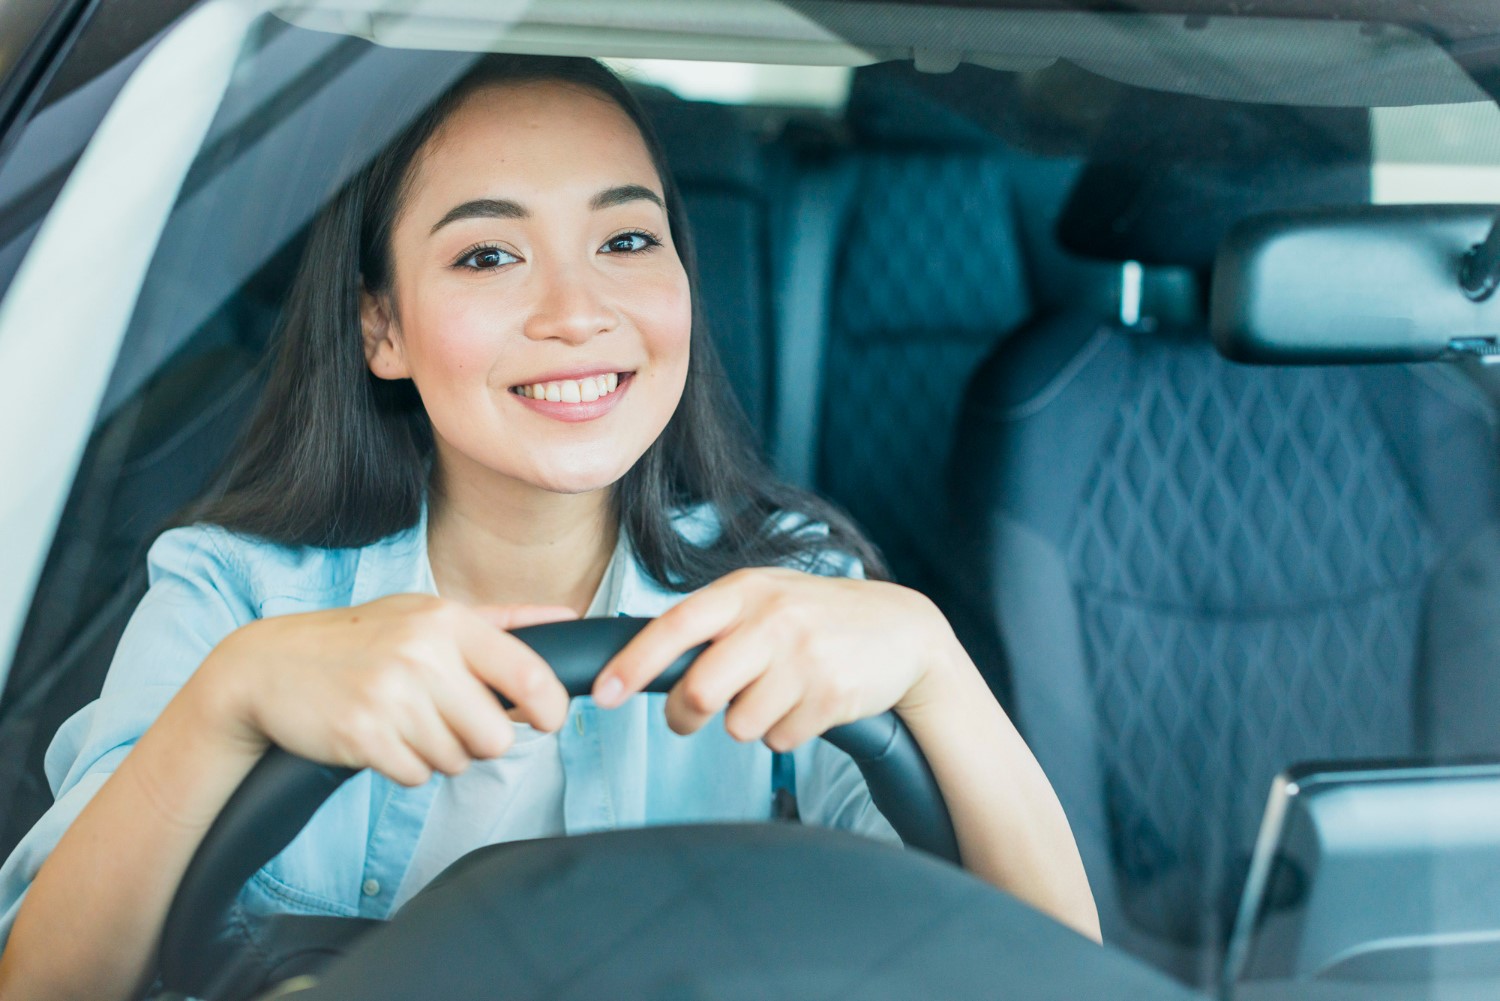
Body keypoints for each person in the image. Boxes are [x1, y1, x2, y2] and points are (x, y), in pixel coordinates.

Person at [0, 53, 1099, 999]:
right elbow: (42, 983)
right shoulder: (231, 596)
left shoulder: (794, 597)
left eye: (627, 241)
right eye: (488, 255)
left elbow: (1051, 972)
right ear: (380, 325)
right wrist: (230, 702)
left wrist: (930, 659)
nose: (578, 311)